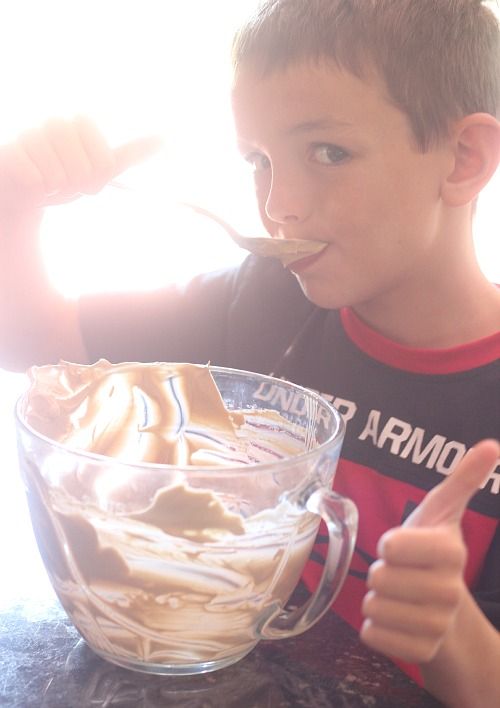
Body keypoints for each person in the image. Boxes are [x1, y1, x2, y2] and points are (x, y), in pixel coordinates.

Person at [0, 0, 499, 705]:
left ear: (463, 158)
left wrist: (454, 633)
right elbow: (34, 342)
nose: (279, 204)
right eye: (258, 161)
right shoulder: (264, 299)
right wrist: (13, 205)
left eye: (329, 152)